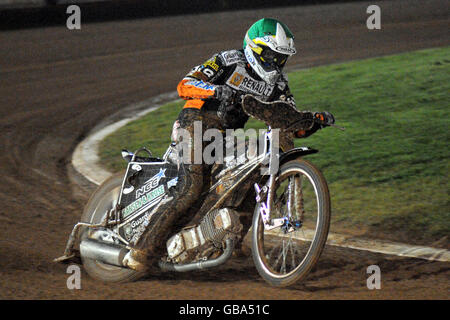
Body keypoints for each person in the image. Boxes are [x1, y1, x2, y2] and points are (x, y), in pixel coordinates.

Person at [123, 18, 335, 271]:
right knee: (190, 187)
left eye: (281, 58)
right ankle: (142, 250)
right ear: (255, 49)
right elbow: (185, 84)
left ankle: (230, 242)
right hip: (196, 122)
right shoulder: (228, 60)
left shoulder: (277, 85)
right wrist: (215, 91)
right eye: (272, 56)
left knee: (251, 180)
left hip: (226, 138)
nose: (277, 64)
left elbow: (288, 119)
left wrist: (312, 122)